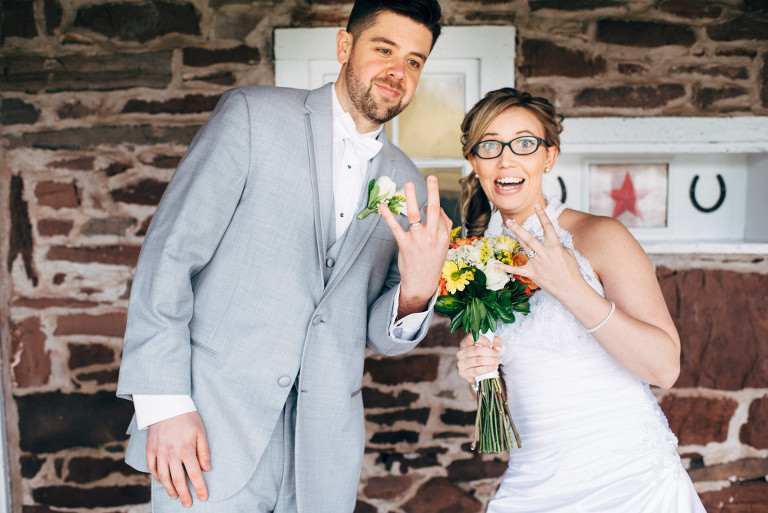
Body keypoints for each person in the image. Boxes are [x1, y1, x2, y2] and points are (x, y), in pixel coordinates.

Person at [116, 1, 450, 511]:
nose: (397, 72)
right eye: (384, 50)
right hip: (209, 427)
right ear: (344, 46)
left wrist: (418, 292)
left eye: (413, 61)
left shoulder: (410, 184)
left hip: (322, 451)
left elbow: (381, 337)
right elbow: (170, 255)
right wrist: (163, 405)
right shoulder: (252, 115)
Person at [455, 88, 706, 512]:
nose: (506, 160)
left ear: (549, 157)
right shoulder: (474, 260)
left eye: (524, 144)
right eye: (490, 145)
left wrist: (572, 288)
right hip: (534, 485)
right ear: (474, 161)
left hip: (631, 485)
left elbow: (664, 368)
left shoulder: (601, 236)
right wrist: (478, 372)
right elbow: (515, 396)